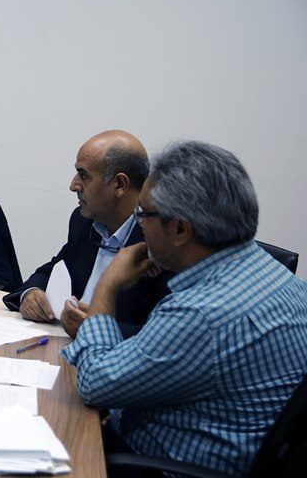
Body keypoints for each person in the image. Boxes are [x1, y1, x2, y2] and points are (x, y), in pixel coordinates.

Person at [62, 141, 307, 476]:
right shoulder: (280, 278)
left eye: (143, 214)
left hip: (156, 467)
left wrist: (109, 284)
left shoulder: (202, 313)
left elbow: (95, 384)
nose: (139, 224)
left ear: (179, 229)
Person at [3, 130, 169, 337]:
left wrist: (96, 329)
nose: (73, 186)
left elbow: (167, 335)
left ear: (119, 184)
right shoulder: (84, 221)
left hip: (114, 353)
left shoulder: (161, 240)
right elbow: (54, 268)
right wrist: (30, 293)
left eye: (83, 175)